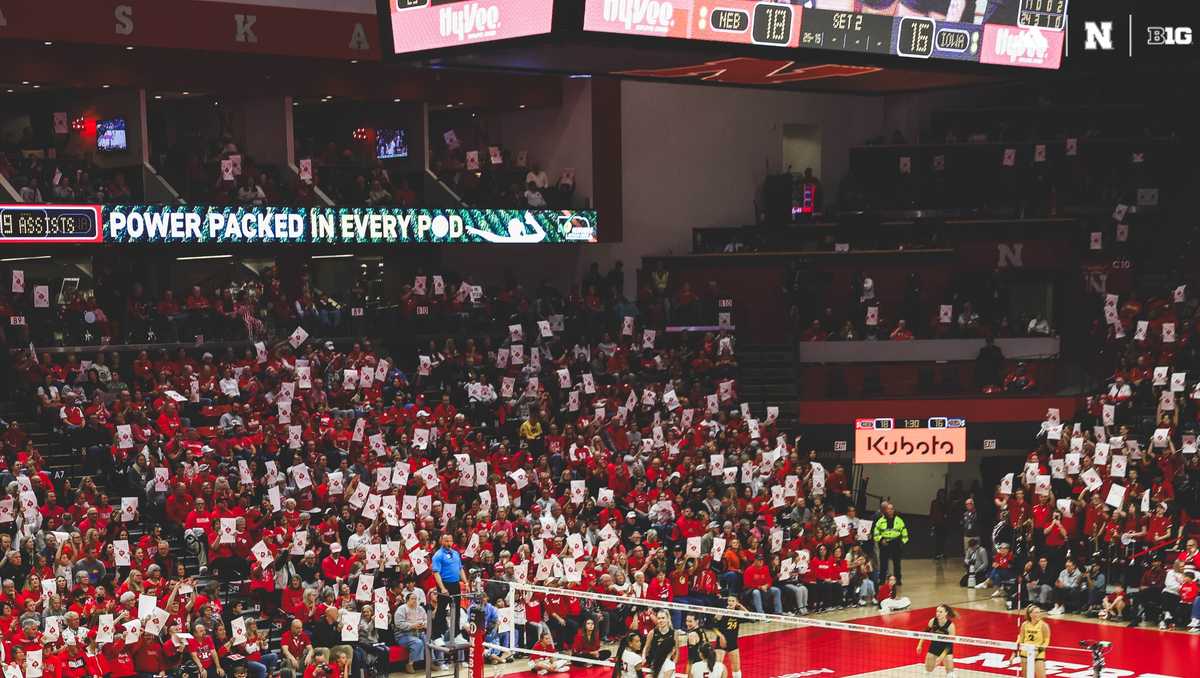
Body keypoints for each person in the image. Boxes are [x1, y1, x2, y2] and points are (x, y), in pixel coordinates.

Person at [431, 533, 465, 648]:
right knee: (441, 610)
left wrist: (465, 582)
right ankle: (436, 636)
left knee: (457, 611)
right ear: (442, 541)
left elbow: (460, 568)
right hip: (445, 585)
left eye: (450, 541)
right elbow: (436, 573)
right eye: (446, 541)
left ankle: (456, 633)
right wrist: (442, 588)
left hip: (455, 584)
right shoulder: (438, 555)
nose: (448, 543)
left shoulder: (455, 553)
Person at [914, 604, 957, 678]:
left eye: (940, 612)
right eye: (937, 611)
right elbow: (925, 633)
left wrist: (941, 657)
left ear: (946, 613)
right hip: (934, 647)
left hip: (946, 649)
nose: (938, 613)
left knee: (950, 674)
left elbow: (950, 644)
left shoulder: (950, 626)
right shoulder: (933, 621)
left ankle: (951, 674)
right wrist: (919, 645)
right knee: (928, 671)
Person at [873, 502, 909, 584]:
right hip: (884, 544)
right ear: (885, 510)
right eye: (888, 509)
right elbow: (876, 532)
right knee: (883, 564)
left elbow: (904, 532)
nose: (890, 510)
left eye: (891, 509)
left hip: (896, 544)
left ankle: (898, 580)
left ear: (893, 510)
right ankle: (882, 580)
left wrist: (902, 543)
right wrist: (881, 540)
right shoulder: (880, 521)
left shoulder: (899, 521)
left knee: (897, 564)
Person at [1013, 605, 1050, 678]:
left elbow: (1046, 640)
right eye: (1036, 612)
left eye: (1039, 612)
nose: (1038, 614)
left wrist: (1039, 650)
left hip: (1038, 654)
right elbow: (1021, 639)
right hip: (1025, 653)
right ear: (1030, 614)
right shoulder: (1024, 625)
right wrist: (1014, 653)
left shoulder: (1044, 625)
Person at [713, 596, 744, 678]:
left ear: (736, 602)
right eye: (729, 601)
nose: (730, 602)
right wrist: (721, 636)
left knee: (736, 669)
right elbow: (713, 626)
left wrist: (741, 606)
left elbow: (752, 617)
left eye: (733, 601)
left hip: (733, 642)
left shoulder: (738, 612)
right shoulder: (723, 612)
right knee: (717, 666)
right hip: (721, 642)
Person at [642, 610, 677, 678]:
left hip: (666, 664)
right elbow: (646, 647)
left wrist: (671, 662)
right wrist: (643, 657)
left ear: (668, 619)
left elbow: (675, 650)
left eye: (663, 618)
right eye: (659, 618)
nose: (660, 620)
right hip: (653, 663)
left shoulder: (673, 633)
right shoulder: (652, 633)